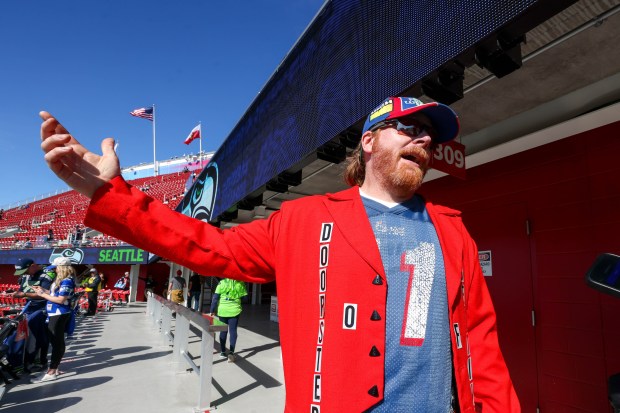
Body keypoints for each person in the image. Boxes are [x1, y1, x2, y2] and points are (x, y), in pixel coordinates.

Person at [39, 97, 519, 412]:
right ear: (369, 141)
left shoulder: (453, 231)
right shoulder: (304, 219)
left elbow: (481, 342)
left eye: (429, 136)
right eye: (409, 129)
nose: (425, 140)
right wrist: (114, 196)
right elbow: (209, 246)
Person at [31, 256, 76, 382]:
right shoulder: (60, 280)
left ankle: (51, 372)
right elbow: (55, 294)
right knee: (56, 341)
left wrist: (43, 295)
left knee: (56, 343)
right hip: (54, 313)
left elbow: (61, 300)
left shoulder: (67, 281)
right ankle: (53, 369)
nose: (54, 270)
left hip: (59, 313)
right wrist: (43, 290)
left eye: (56, 268)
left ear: (61, 268)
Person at [12, 258, 52, 372]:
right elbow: (21, 289)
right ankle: (23, 360)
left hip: (43, 308)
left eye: (25, 271)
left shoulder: (46, 275)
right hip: (29, 307)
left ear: (33, 266)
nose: (24, 274)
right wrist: (14, 293)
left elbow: (45, 294)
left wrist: (24, 294)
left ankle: (40, 361)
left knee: (39, 335)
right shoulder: (26, 276)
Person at [209, 278, 247, 362]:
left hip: (222, 310)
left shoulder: (221, 283)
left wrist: (212, 310)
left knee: (223, 331)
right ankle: (231, 353)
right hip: (235, 310)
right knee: (233, 331)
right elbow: (245, 299)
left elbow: (215, 298)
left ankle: (222, 352)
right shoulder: (241, 283)